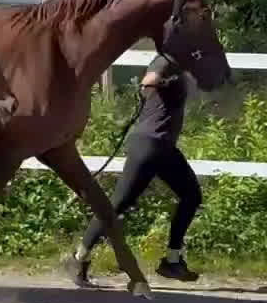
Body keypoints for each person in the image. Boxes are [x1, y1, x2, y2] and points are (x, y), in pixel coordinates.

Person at [65, 52, 203, 286]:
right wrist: (166, 82)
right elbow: (148, 81)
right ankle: (79, 258)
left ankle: (172, 260)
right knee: (117, 204)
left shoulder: (178, 63)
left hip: (163, 147)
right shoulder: (166, 60)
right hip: (149, 145)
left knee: (191, 196)